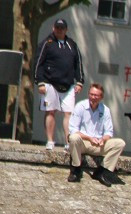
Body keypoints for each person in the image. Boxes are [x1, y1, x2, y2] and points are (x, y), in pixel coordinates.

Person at [34, 18, 84, 151]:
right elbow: (38, 62)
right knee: (50, 112)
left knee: (69, 113)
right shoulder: (47, 43)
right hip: (50, 83)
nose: (59, 30)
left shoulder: (72, 44)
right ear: (53, 28)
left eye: (62, 28)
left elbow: (78, 63)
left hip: (68, 84)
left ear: (66, 30)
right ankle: (50, 141)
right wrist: (40, 82)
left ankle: (68, 142)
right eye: (57, 28)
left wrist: (79, 81)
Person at [66, 83, 125, 187]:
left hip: (98, 144)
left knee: (120, 143)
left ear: (101, 97)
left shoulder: (105, 110)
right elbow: (73, 129)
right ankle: (75, 169)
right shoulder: (81, 106)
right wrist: (89, 138)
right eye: (91, 94)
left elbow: (108, 132)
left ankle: (102, 171)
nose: (93, 97)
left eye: (96, 95)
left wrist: (103, 139)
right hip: (83, 143)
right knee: (73, 138)